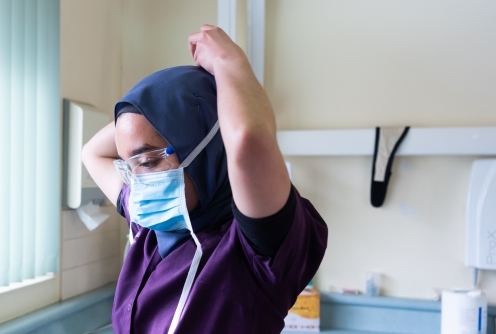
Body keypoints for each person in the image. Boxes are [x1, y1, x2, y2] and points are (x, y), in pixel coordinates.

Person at [82, 25, 328, 334]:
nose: (136, 184)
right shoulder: (149, 229)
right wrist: (148, 108)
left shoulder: (255, 250)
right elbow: (92, 152)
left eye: (147, 162)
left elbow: (248, 141)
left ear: (204, 150)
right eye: (129, 168)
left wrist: (227, 63)